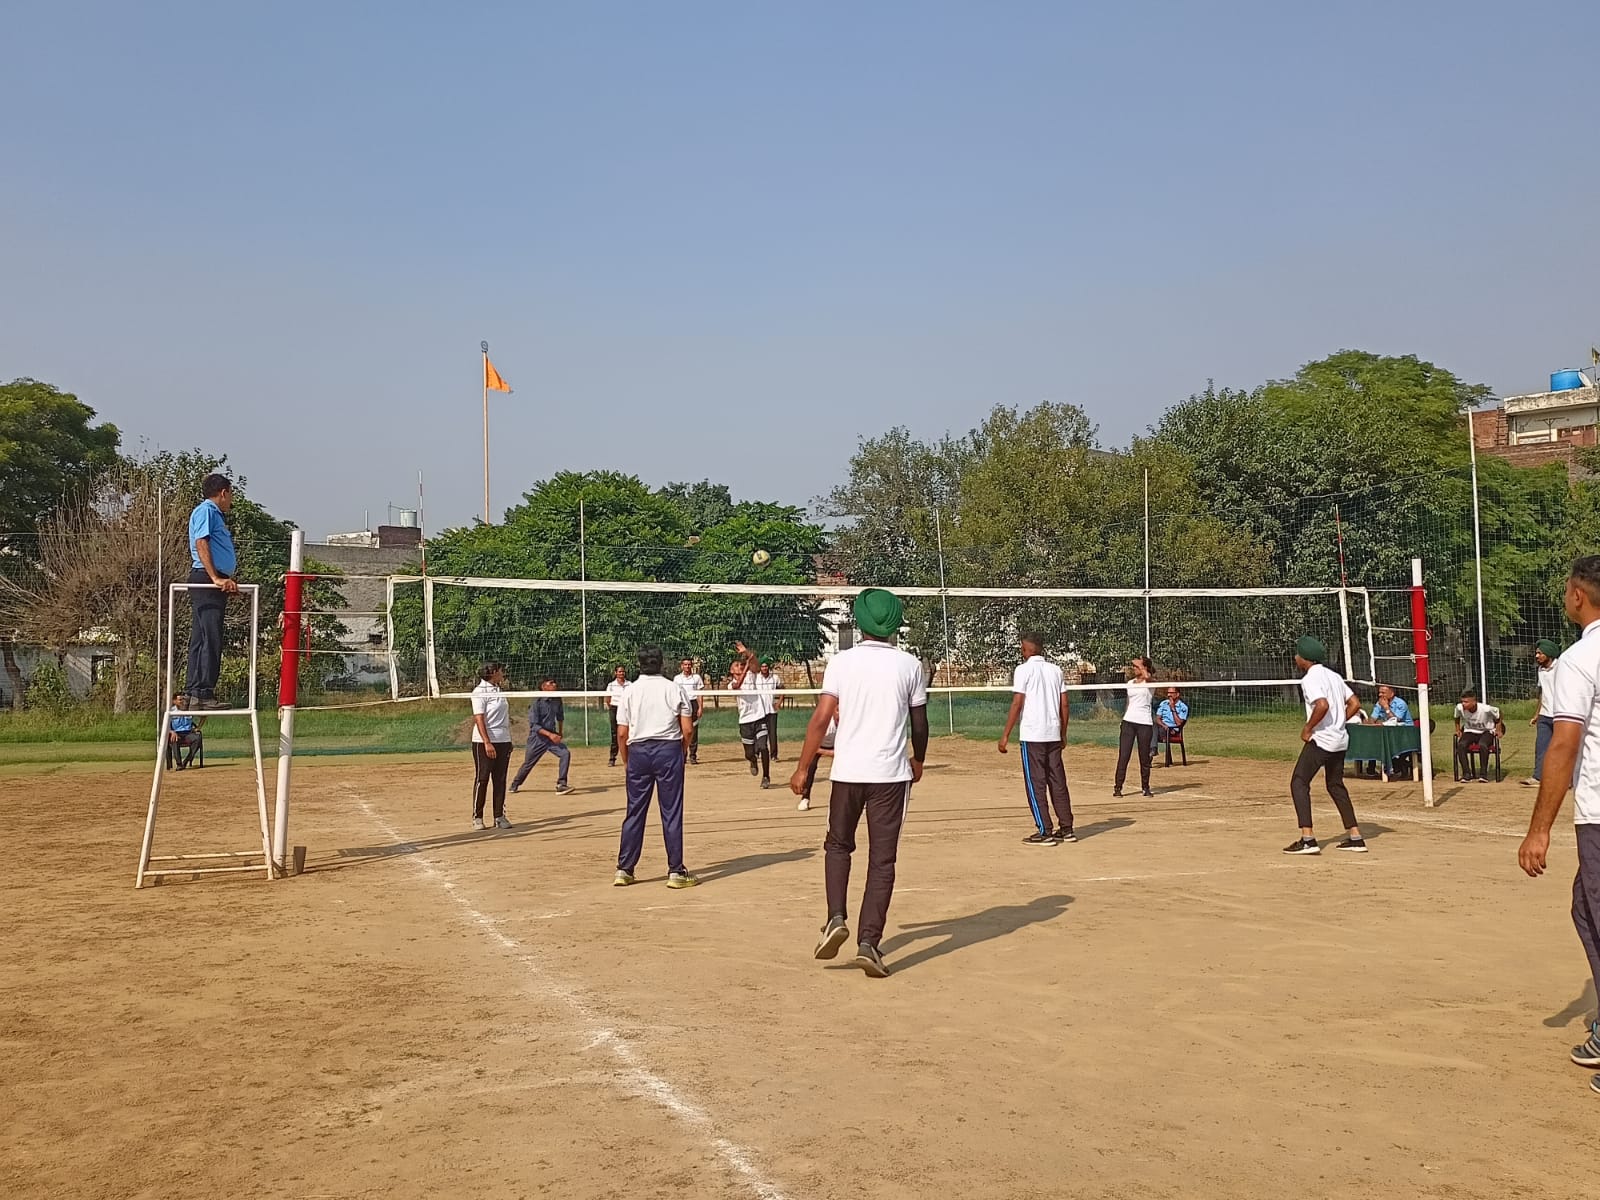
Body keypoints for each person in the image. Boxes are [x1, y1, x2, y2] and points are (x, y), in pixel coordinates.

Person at [790, 588, 928, 979]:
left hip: (847, 772)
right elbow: (919, 722)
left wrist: (803, 767)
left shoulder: (841, 663)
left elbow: (821, 718)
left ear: (861, 621)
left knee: (838, 845)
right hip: (889, 775)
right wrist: (918, 758)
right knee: (882, 861)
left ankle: (835, 917)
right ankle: (869, 942)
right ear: (894, 623)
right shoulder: (909, 665)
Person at [1517, 556, 1600, 1098]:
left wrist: (1538, 828)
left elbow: (1564, 745)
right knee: (1584, 906)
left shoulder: (1579, 658)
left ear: (1577, 595)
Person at [613, 645, 698, 889]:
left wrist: (627, 759)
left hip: (638, 751)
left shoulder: (629, 691)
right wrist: (682, 749)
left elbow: (621, 733)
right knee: (671, 811)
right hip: (668, 750)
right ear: (661, 663)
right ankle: (676, 871)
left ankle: (624, 869)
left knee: (634, 810)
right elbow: (688, 728)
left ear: (639, 664)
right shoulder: (673, 688)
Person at [1283, 636, 1367, 855]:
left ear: (1304, 658)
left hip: (1323, 740)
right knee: (1335, 784)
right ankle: (1355, 836)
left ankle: (1308, 838)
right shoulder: (1334, 676)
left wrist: (1308, 728)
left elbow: (1322, 705)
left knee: (1299, 782)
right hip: (1340, 739)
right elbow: (1355, 703)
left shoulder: (1310, 679)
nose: (1295, 657)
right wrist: (1340, 721)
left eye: (1297, 654)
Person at [997, 633, 1074, 845]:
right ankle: (1066, 828)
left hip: (1033, 735)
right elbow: (1064, 704)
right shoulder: (1055, 670)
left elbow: (1017, 703)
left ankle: (1044, 830)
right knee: (1057, 781)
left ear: (1027, 650)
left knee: (1035, 782)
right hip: (1053, 733)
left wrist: (1005, 735)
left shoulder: (1023, 670)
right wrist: (1063, 732)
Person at [185, 473, 239, 710]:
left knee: (201, 637)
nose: (231, 500)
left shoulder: (213, 515)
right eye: (231, 494)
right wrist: (216, 577)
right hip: (207, 578)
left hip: (212, 578)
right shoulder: (207, 511)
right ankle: (203, 691)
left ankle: (194, 692)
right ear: (224, 492)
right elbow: (201, 542)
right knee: (210, 637)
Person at [470, 662, 514, 831]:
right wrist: (487, 742)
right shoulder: (479, 692)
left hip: (503, 739)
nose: (503, 674)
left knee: (500, 779)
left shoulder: (499, 690)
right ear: (494, 672)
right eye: (501, 671)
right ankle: (477, 817)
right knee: (482, 778)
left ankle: (499, 816)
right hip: (483, 741)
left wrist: (508, 741)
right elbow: (479, 719)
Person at [510, 676, 571, 795]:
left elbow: (560, 717)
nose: (555, 685)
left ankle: (561, 784)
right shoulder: (536, 702)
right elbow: (534, 726)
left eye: (555, 683)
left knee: (565, 753)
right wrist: (550, 735)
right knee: (528, 763)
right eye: (551, 683)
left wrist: (559, 732)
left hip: (551, 736)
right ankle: (515, 784)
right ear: (544, 687)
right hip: (537, 738)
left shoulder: (557, 699)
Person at [1113, 655, 1157, 797]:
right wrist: (1124, 719)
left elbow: (1147, 676)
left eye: (1137, 666)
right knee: (1124, 756)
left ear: (1144, 668)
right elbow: (1129, 702)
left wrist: (1142, 666)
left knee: (1144, 757)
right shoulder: (1130, 683)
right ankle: (1118, 787)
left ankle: (1145, 787)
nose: (1134, 668)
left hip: (1144, 723)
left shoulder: (1150, 682)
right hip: (1129, 722)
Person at [730, 641, 772, 789]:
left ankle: (766, 776)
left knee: (763, 747)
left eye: (741, 665)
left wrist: (746, 653)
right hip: (745, 721)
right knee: (749, 754)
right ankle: (753, 761)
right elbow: (737, 686)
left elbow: (755, 664)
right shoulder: (731, 684)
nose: (740, 667)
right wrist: (746, 666)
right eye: (737, 666)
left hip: (759, 716)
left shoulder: (751, 675)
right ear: (731, 671)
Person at [1524, 639, 1560, 787]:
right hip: (1545, 715)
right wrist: (1537, 714)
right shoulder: (1540, 670)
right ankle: (1538, 777)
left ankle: (1567, 779)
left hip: (1561, 714)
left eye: (1540, 653)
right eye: (1536, 653)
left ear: (1549, 654)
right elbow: (1543, 693)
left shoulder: (1562, 667)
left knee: (1563, 748)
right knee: (1541, 746)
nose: (1537, 656)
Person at [1455, 688, 1505, 783]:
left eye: (1466, 702)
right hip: (1470, 731)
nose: (1463, 704)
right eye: (1462, 702)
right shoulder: (1459, 708)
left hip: (1486, 731)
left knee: (1483, 745)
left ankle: (1483, 775)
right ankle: (1466, 774)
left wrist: (1498, 729)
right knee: (1461, 745)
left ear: (1474, 702)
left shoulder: (1486, 709)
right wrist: (1457, 729)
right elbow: (1456, 717)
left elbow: (1499, 714)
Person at [1366, 683, 1415, 779]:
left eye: (1383, 692)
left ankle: (1399, 766)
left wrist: (1386, 708)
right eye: (1379, 692)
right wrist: (1374, 722)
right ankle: (1371, 769)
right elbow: (1372, 719)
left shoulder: (1400, 704)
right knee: (1372, 740)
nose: (1380, 695)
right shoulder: (1378, 703)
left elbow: (1396, 720)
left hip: (1405, 734)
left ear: (1391, 693)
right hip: (1387, 733)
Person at [796, 715, 836, 812]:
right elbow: (811, 745)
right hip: (818, 745)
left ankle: (838, 799)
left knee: (840, 769)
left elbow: (843, 751)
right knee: (811, 767)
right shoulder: (822, 722)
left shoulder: (845, 723)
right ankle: (805, 798)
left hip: (836, 746)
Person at [672, 657, 705, 765]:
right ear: (682, 666)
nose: (687, 666)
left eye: (689, 664)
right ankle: (682, 754)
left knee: (693, 730)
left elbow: (700, 694)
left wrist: (700, 707)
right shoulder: (677, 678)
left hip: (693, 703)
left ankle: (693, 755)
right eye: (685, 664)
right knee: (681, 730)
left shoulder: (696, 678)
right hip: (681, 704)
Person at [755, 656, 784, 760]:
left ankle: (774, 755)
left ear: (768, 667)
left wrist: (779, 702)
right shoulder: (756, 678)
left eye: (766, 666)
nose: (764, 668)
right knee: (759, 732)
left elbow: (782, 689)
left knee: (772, 733)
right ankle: (757, 752)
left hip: (771, 710)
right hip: (759, 710)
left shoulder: (774, 678)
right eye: (762, 666)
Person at [167, 693, 203, 769]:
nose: (182, 701)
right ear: (174, 701)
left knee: (198, 738)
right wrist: (171, 731)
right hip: (177, 733)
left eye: (184, 699)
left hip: (188, 734)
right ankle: (179, 764)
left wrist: (198, 727)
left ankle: (186, 761)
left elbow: (204, 715)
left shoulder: (190, 710)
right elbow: (165, 725)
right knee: (174, 739)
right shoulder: (171, 711)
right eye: (180, 699)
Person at [1155, 686, 1189, 766]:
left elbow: (1179, 723)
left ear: (1177, 694)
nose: (1169, 695)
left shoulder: (1183, 707)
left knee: (1151, 733)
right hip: (1162, 727)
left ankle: (1152, 751)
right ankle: (1153, 749)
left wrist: (1173, 708)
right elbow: (1158, 718)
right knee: (1150, 728)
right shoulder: (1163, 703)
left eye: (1171, 693)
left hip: (1173, 730)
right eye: (1168, 693)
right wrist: (1163, 725)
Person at [605, 665, 629, 767]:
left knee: (628, 733)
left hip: (626, 709)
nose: (621, 673)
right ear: (615, 673)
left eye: (623, 672)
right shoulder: (611, 685)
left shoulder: (629, 684)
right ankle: (612, 758)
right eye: (619, 672)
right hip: (615, 708)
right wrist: (612, 708)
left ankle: (629, 757)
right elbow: (608, 699)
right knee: (615, 733)